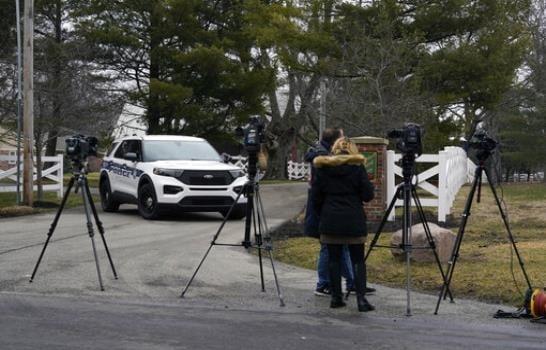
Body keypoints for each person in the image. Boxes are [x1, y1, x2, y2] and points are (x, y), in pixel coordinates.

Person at [311, 137, 375, 311]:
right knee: (358, 261)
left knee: (334, 260)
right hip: (353, 219)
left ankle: (336, 298)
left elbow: (315, 197)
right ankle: (361, 300)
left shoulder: (323, 169)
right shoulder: (357, 168)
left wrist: (322, 212)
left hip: (330, 218)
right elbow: (368, 195)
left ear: (334, 149)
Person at [304, 128, 354, 296]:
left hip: (327, 209)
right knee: (329, 246)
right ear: (334, 141)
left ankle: (351, 282)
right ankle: (324, 283)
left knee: (340, 246)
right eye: (341, 137)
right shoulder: (324, 160)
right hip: (325, 211)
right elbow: (321, 189)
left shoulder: (322, 155)